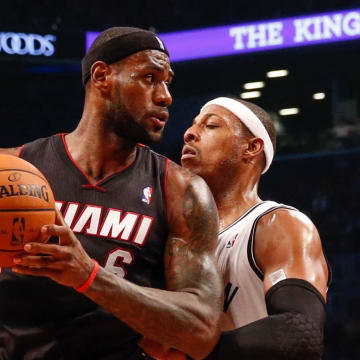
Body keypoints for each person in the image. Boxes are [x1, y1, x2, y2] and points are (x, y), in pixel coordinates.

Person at [0, 27, 223, 360]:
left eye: (167, 82)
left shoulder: (182, 190)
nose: (165, 96)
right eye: (149, 77)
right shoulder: (13, 167)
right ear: (102, 76)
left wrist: (87, 276)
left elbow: (202, 329)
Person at [141, 97, 330, 359]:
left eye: (211, 126)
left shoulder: (278, 225)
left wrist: (196, 351)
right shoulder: (171, 236)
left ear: (251, 148)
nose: (189, 133)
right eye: (193, 125)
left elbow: (301, 334)